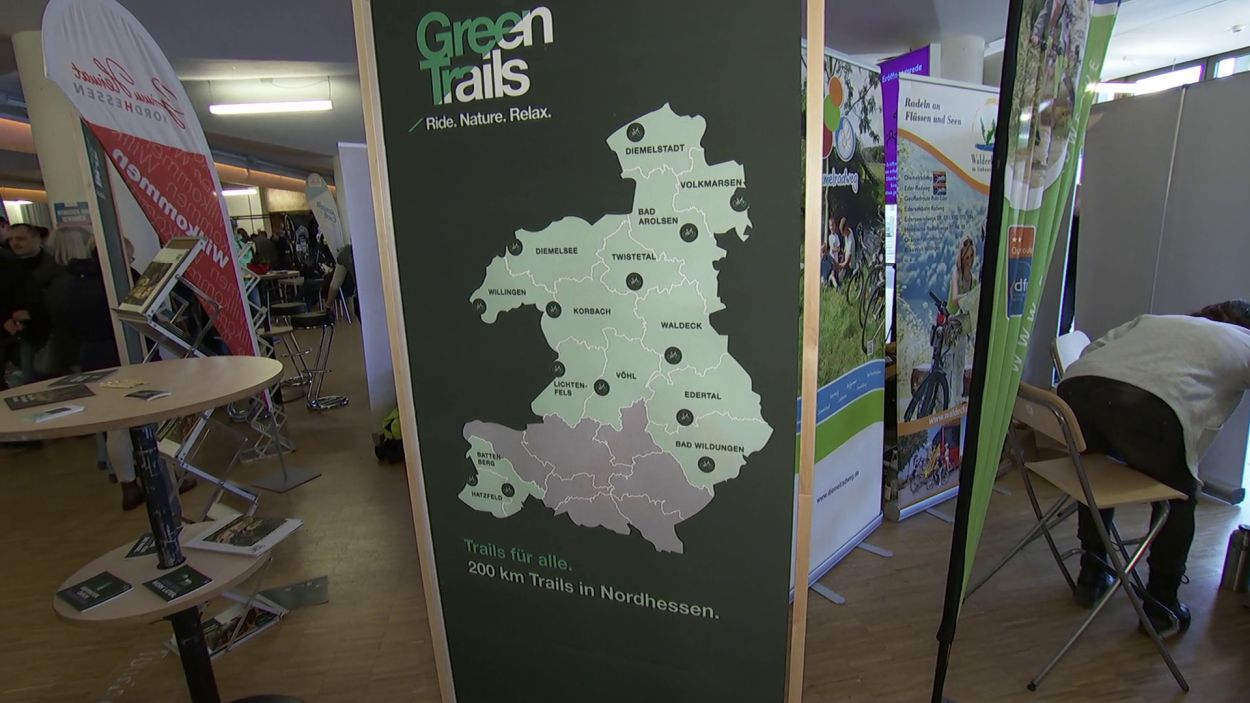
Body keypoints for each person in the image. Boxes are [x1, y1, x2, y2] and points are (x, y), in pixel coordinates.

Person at [1058, 301, 1250, 637]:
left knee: (1095, 473)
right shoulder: (1242, 340)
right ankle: (1161, 607)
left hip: (1074, 398)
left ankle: (1092, 574)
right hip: (1150, 411)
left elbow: (1089, 353)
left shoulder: (1153, 320)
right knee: (1178, 497)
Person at [3, 224, 62, 382]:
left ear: (37, 239)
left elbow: (57, 300)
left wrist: (32, 314)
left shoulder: (54, 266)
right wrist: (6, 318)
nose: (15, 243)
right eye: (11, 239)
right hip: (25, 333)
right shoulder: (7, 267)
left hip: (53, 332)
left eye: (20, 238)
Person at [947, 235, 978, 402]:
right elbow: (954, 299)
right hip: (951, 322)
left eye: (971, 257)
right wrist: (970, 296)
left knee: (959, 364)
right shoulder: (956, 274)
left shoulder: (973, 279)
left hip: (963, 325)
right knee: (948, 365)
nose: (969, 261)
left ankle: (956, 400)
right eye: (967, 257)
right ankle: (947, 400)